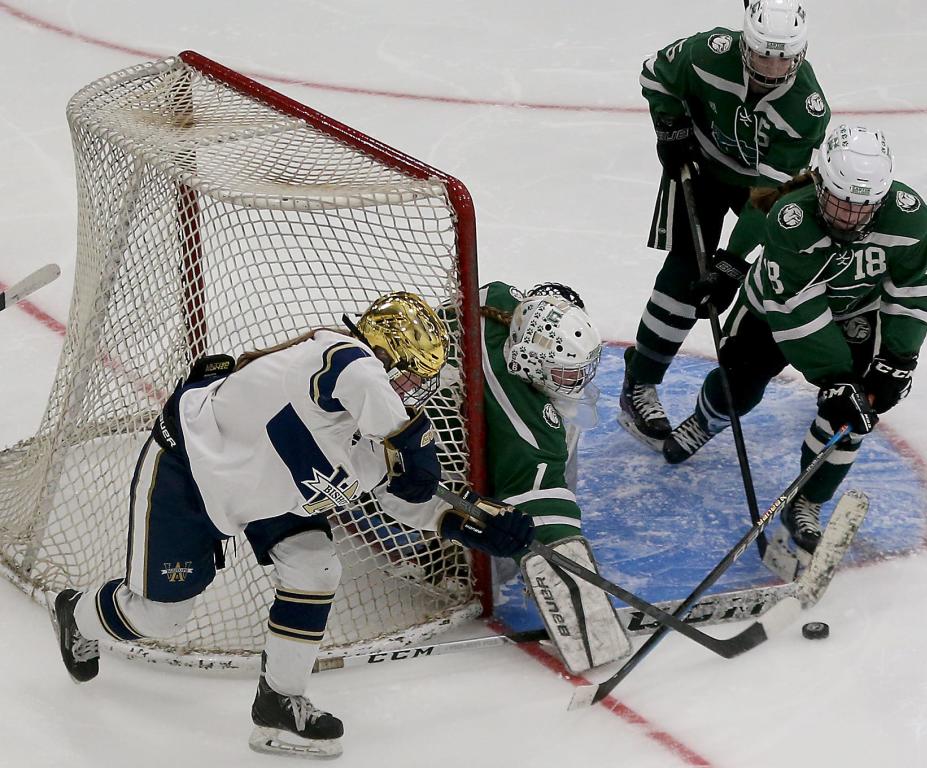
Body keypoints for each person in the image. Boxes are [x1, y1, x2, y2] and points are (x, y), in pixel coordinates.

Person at [50, 291, 534, 760]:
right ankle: (77, 613)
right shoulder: (330, 360)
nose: (409, 396)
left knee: (315, 567)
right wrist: (407, 436)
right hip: (192, 470)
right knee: (160, 617)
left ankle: (278, 701)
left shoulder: (371, 430)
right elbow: (354, 369)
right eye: (405, 381)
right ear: (383, 358)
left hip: (269, 498)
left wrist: (470, 525)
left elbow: (403, 493)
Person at [660, 124, 927, 559]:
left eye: (862, 207)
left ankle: (807, 499)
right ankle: (707, 419)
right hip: (775, 311)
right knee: (739, 389)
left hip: (857, 315)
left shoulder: (909, 219)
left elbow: (911, 291)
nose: (849, 217)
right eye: (841, 203)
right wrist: (836, 378)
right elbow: (798, 312)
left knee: (855, 411)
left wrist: (897, 360)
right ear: (821, 182)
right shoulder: (791, 220)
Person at [620, 0, 830, 447]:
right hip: (698, 167)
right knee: (684, 276)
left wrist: (733, 263)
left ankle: (830, 374)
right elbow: (655, 74)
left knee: (798, 272)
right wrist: (670, 130)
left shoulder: (806, 111)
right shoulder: (708, 51)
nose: (772, 68)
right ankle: (640, 378)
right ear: (743, 45)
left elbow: (768, 200)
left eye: (784, 58)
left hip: (758, 189)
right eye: (762, 56)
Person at [472, 281, 631, 673]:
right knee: (501, 561)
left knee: (566, 417)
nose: (575, 381)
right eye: (564, 372)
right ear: (526, 359)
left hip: (440, 383)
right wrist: (565, 557)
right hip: (429, 435)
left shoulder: (498, 302)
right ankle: (439, 555)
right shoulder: (529, 428)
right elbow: (544, 506)